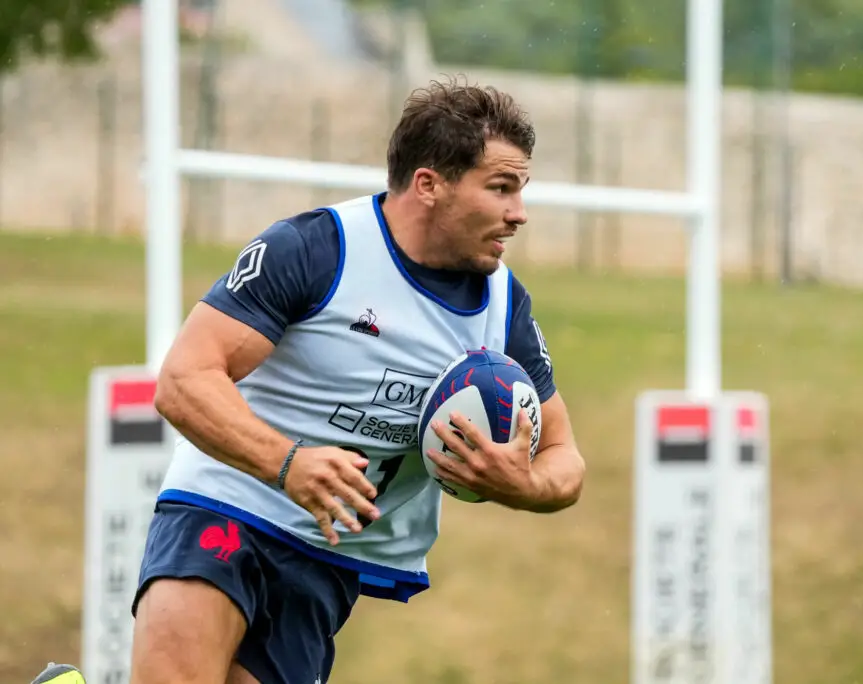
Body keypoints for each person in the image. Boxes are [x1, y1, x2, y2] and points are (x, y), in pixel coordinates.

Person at [33, 77, 586, 684]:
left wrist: (523, 484)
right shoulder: (317, 250)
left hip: (327, 555)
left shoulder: (503, 309)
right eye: (501, 188)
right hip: (228, 500)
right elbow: (184, 379)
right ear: (429, 184)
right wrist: (287, 463)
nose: (519, 213)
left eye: (521, 190)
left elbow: (565, 459)